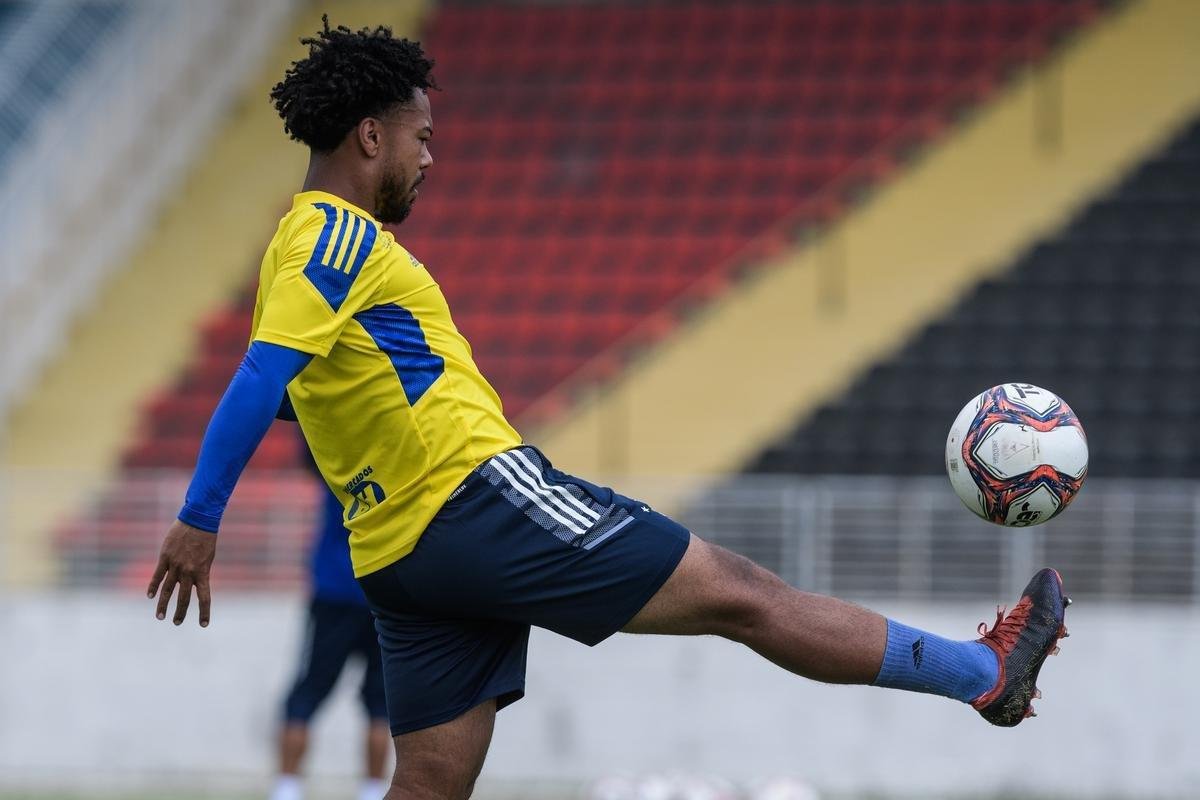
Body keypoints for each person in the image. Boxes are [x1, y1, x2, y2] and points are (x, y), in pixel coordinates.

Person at [149, 19, 1071, 800]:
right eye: (421, 136)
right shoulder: (341, 237)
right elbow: (261, 382)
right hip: (475, 501)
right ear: (369, 137)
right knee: (741, 595)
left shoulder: (290, 245)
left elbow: (298, 389)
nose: (432, 154)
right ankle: (983, 675)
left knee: (426, 788)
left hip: (398, 556)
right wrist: (198, 520)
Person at [270, 442, 389, 800]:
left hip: (334, 595)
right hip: (380, 596)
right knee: (380, 704)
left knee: (306, 695)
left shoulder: (334, 470)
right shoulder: (393, 480)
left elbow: (309, 447)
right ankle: (372, 790)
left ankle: (287, 788)